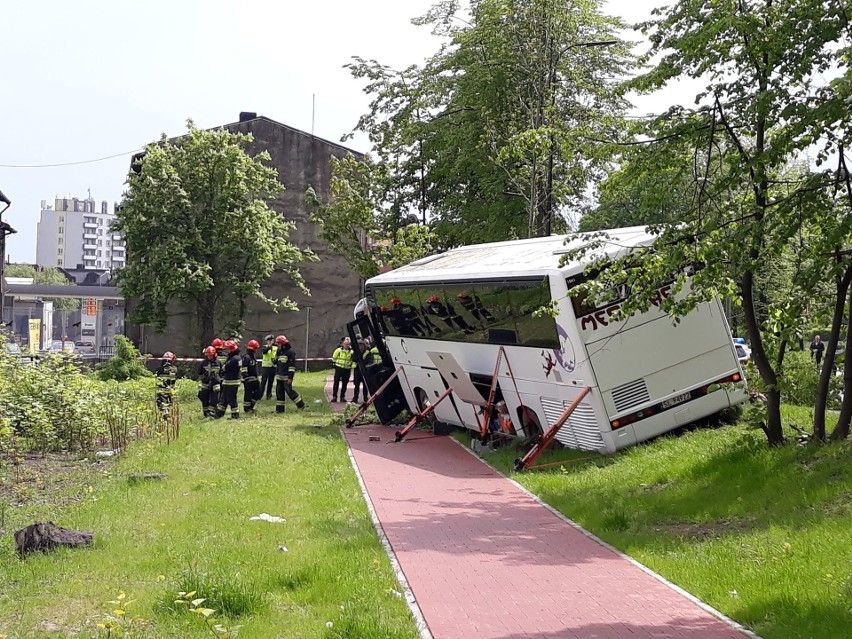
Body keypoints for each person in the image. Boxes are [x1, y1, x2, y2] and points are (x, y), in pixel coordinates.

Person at [274, 334, 306, 413]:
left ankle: (301, 405)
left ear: (282, 344)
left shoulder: (290, 352)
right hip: (279, 377)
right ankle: (279, 410)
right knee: (279, 393)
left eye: (278, 344)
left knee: (290, 392)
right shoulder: (279, 351)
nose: (277, 345)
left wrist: (290, 377)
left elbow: (292, 366)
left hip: (286, 377)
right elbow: (276, 362)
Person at [216, 340, 241, 419]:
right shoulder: (235, 357)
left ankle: (235, 415)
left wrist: (223, 367)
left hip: (232, 382)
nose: (226, 351)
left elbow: (225, 368)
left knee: (231, 398)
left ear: (231, 349)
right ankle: (219, 414)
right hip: (228, 381)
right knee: (224, 398)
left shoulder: (234, 359)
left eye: (227, 349)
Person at [197, 346, 220, 418]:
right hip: (205, 383)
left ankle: (212, 412)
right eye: (208, 355)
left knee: (215, 398)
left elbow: (222, 372)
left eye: (210, 355)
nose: (209, 357)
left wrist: (218, 379)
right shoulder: (203, 363)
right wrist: (204, 377)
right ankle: (206, 413)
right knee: (204, 398)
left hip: (215, 383)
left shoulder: (218, 362)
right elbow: (199, 373)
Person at [155, 351, 178, 420]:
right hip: (170, 389)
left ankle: (166, 416)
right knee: (169, 403)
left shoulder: (159, 370)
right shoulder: (174, 369)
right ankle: (167, 416)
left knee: (162, 403)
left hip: (161, 390)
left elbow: (157, 380)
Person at [331, 337, 354, 403]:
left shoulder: (352, 352)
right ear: (343, 344)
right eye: (345, 344)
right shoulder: (338, 350)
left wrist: (351, 366)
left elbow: (353, 360)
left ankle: (342, 397)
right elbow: (334, 358)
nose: (346, 345)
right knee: (336, 383)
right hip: (339, 368)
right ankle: (334, 396)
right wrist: (335, 364)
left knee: (345, 384)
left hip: (347, 369)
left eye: (348, 344)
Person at [351, 339, 374, 404]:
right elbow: (353, 359)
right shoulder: (355, 352)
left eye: (362, 345)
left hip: (365, 371)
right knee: (356, 385)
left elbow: (369, 360)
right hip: (357, 371)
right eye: (359, 345)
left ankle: (365, 398)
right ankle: (355, 398)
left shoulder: (367, 352)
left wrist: (361, 361)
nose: (360, 347)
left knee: (365, 385)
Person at [241, 339, 261, 413]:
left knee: (259, 392)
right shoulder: (246, 357)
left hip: (254, 379)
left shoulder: (252, 356)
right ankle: (247, 409)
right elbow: (244, 368)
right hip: (248, 379)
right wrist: (246, 378)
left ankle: (251, 406)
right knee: (248, 394)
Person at [260, 334, 277, 400]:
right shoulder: (265, 347)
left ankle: (269, 395)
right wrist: (269, 346)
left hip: (273, 367)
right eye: (268, 340)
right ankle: (260, 395)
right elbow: (264, 352)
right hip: (266, 367)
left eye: (271, 340)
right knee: (263, 382)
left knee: (271, 382)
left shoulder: (276, 347)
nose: (270, 341)